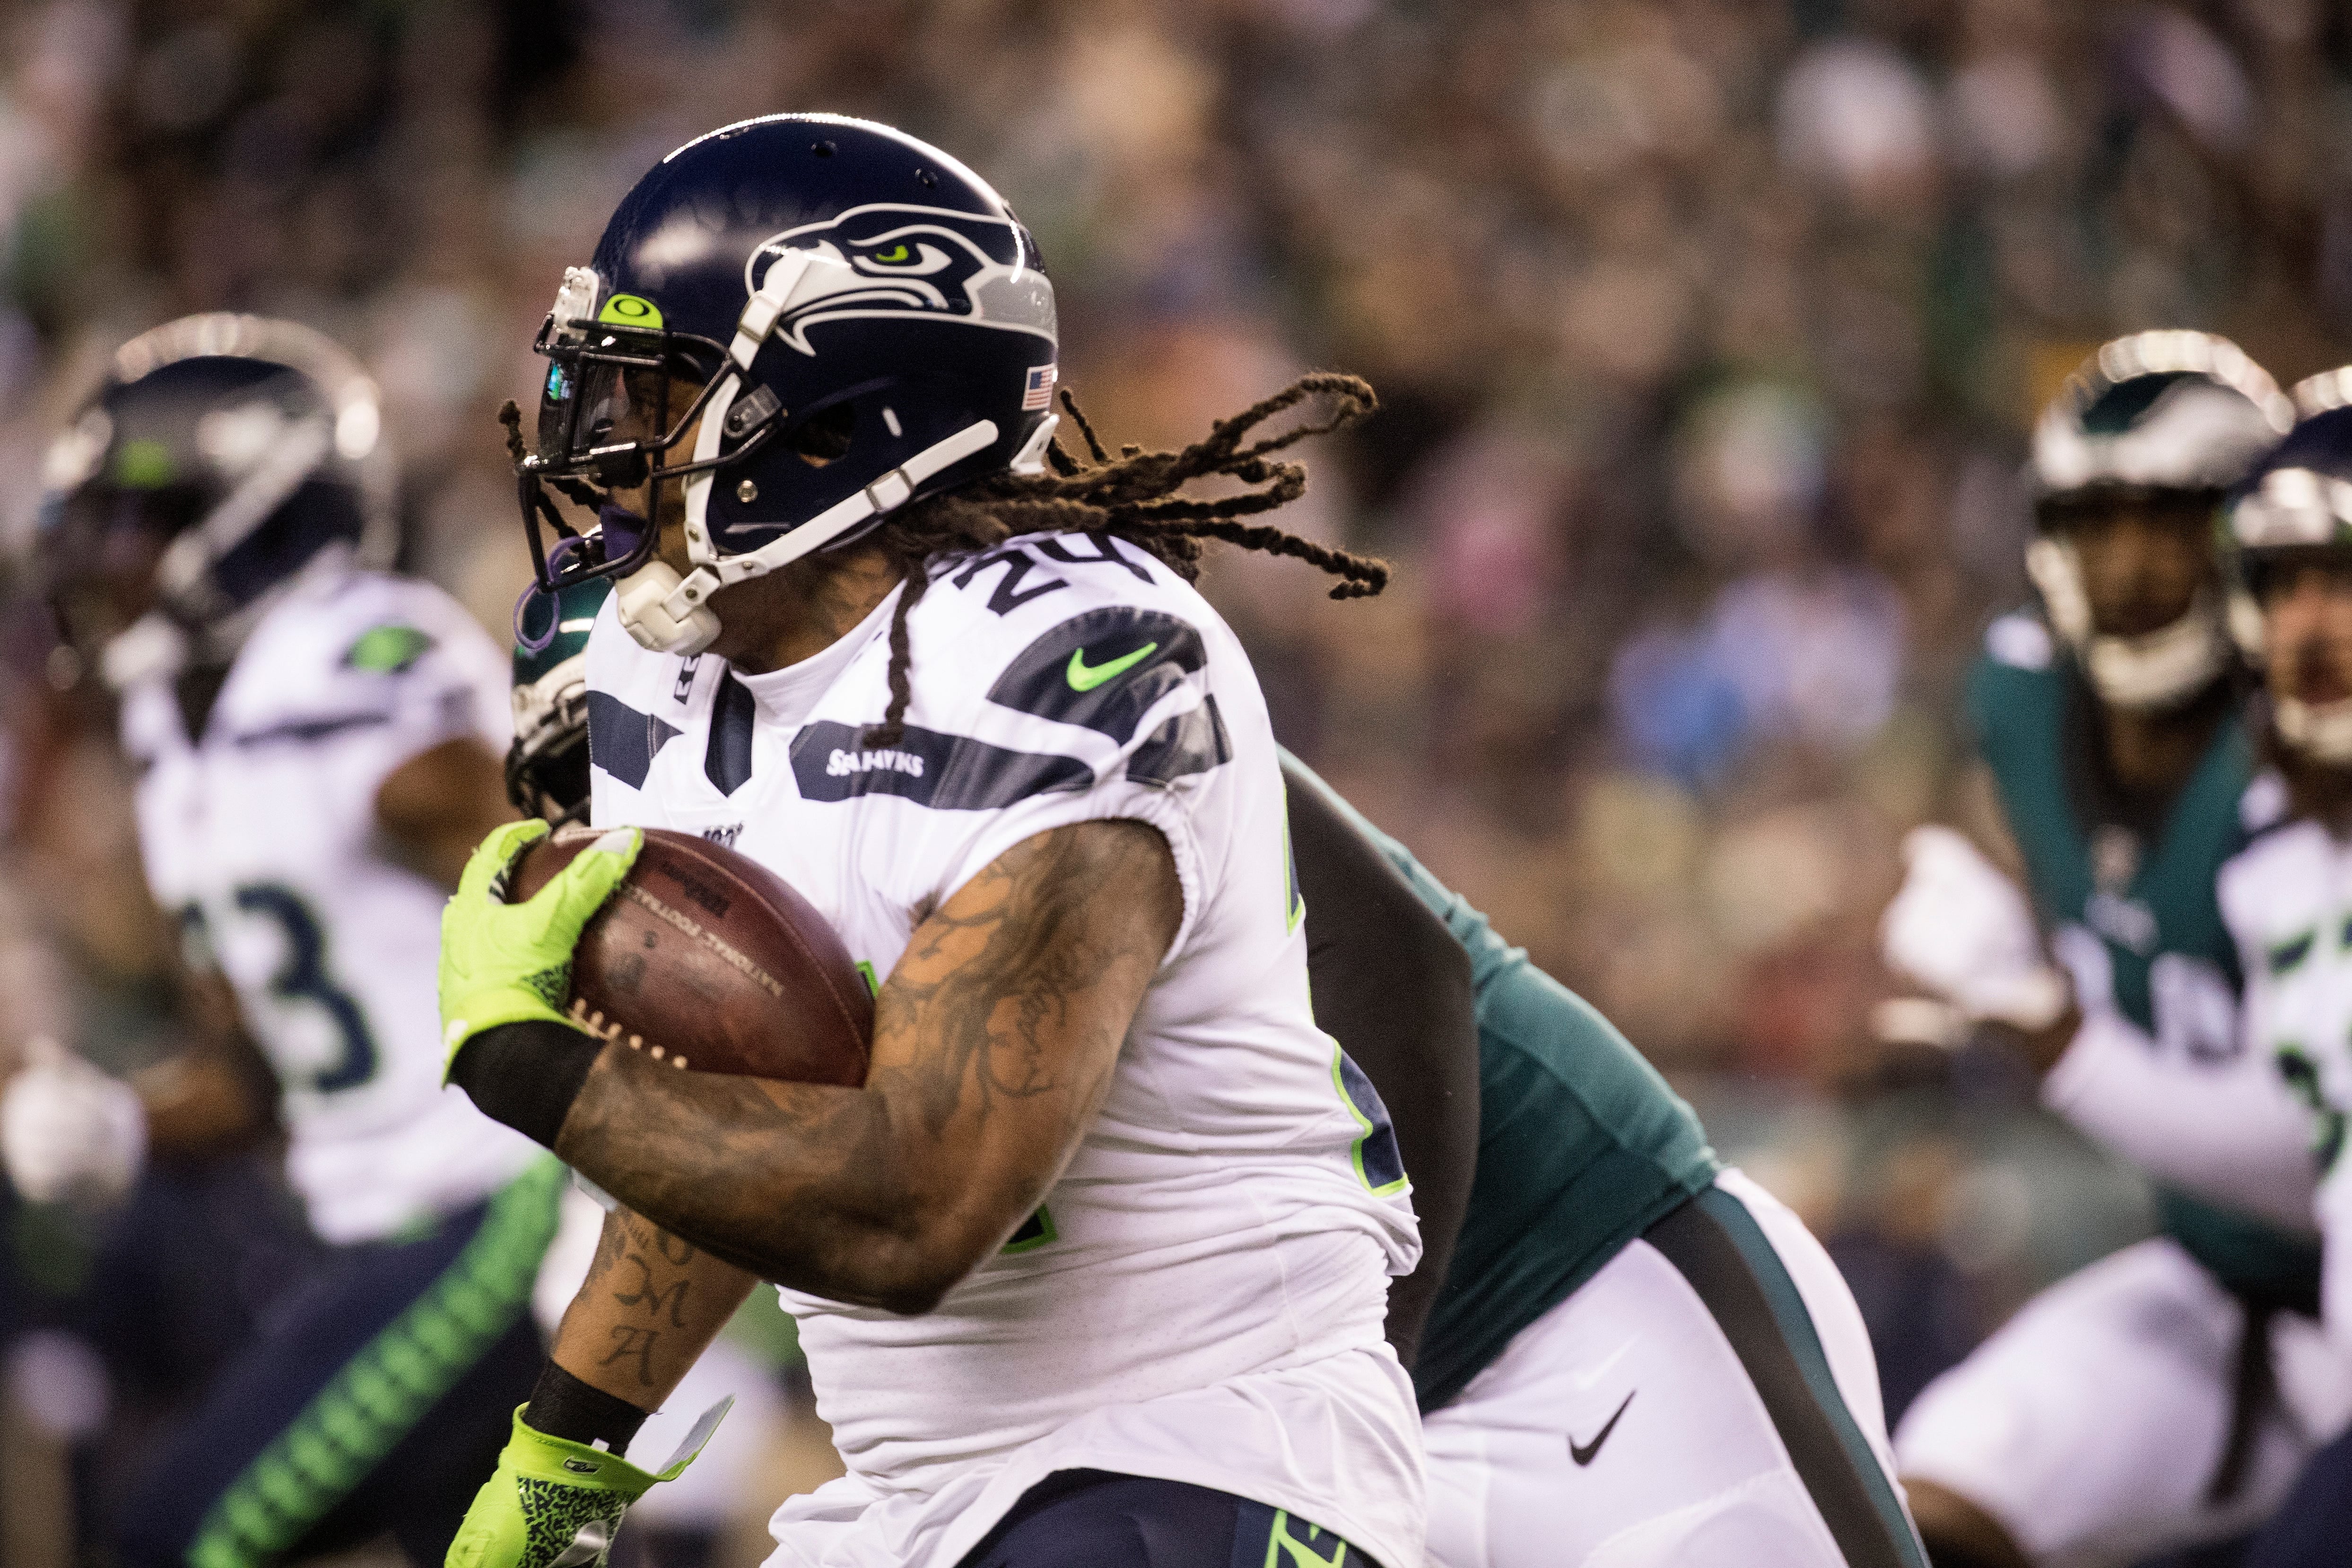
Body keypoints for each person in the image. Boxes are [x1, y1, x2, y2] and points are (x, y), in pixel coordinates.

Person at [437, 113, 1421, 1568]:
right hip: (906, 1496)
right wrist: (560, 1458)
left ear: (835, 412)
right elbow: (732, 1129)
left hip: (1205, 1443)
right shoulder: (666, 672)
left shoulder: (1075, 650)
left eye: (660, 397)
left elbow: (920, 1205)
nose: (605, 452)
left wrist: (531, 1063)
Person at [502, 583, 1926, 1568]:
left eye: (612, 751)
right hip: (1211, 1431)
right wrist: (558, 1471)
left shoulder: (1008, 716)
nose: (613, 813)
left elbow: (1405, 970)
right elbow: (760, 1190)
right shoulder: (765, 859)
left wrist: (1355, 1397)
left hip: (1570, 1299)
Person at [1, 314, 564, 1566]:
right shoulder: (175, 719)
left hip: (495, 1212)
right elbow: (259, 1064)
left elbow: (568, 893)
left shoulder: (356, 664)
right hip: (366, 1231)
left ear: (253, 515)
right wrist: (127, 1124)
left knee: (170, 1536)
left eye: (135, 520)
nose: (102, 556)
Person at [1878, 331, 2352, 1568]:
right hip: (2216, 1280)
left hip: (2313, 1283)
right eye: (2101, 525)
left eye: (2171, 524)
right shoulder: (2028, 699)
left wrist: (2053, 1030)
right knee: (1924, 1497)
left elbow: (2315, 1137)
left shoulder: (2303, 777)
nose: (2135, 568)